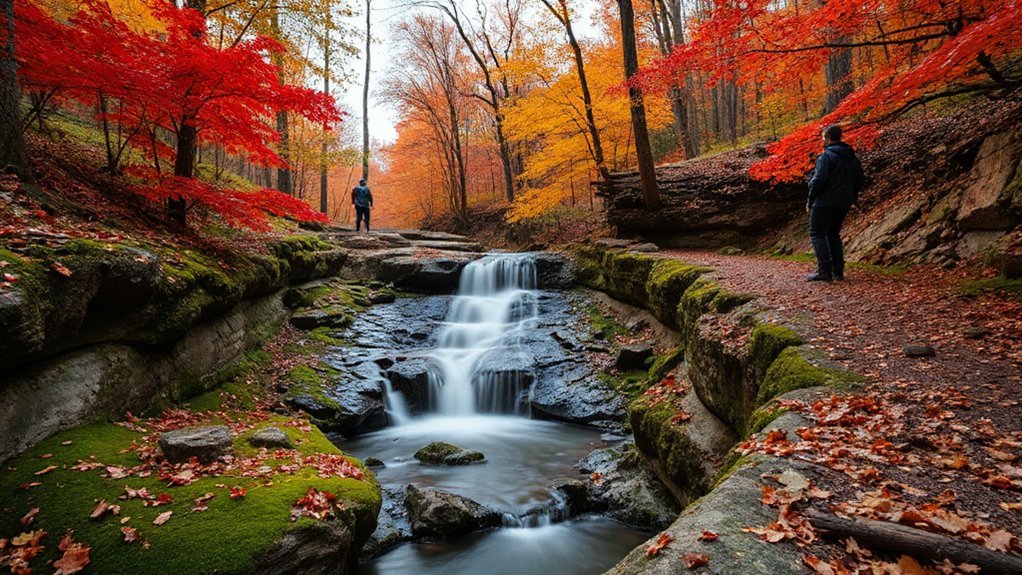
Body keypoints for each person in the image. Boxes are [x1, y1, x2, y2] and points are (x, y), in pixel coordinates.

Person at [805, 125, 865, 282]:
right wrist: (852, 197)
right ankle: (838, 270)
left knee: (817, 232)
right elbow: (860, 180)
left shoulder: (826, 157)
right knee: (833, 233)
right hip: (844, 202)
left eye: (824, 137)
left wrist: (810, 199)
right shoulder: (852, 157)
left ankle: (824, 270)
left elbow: (818, 181)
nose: (823, 140)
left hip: (825, 201)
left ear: (828, 138)